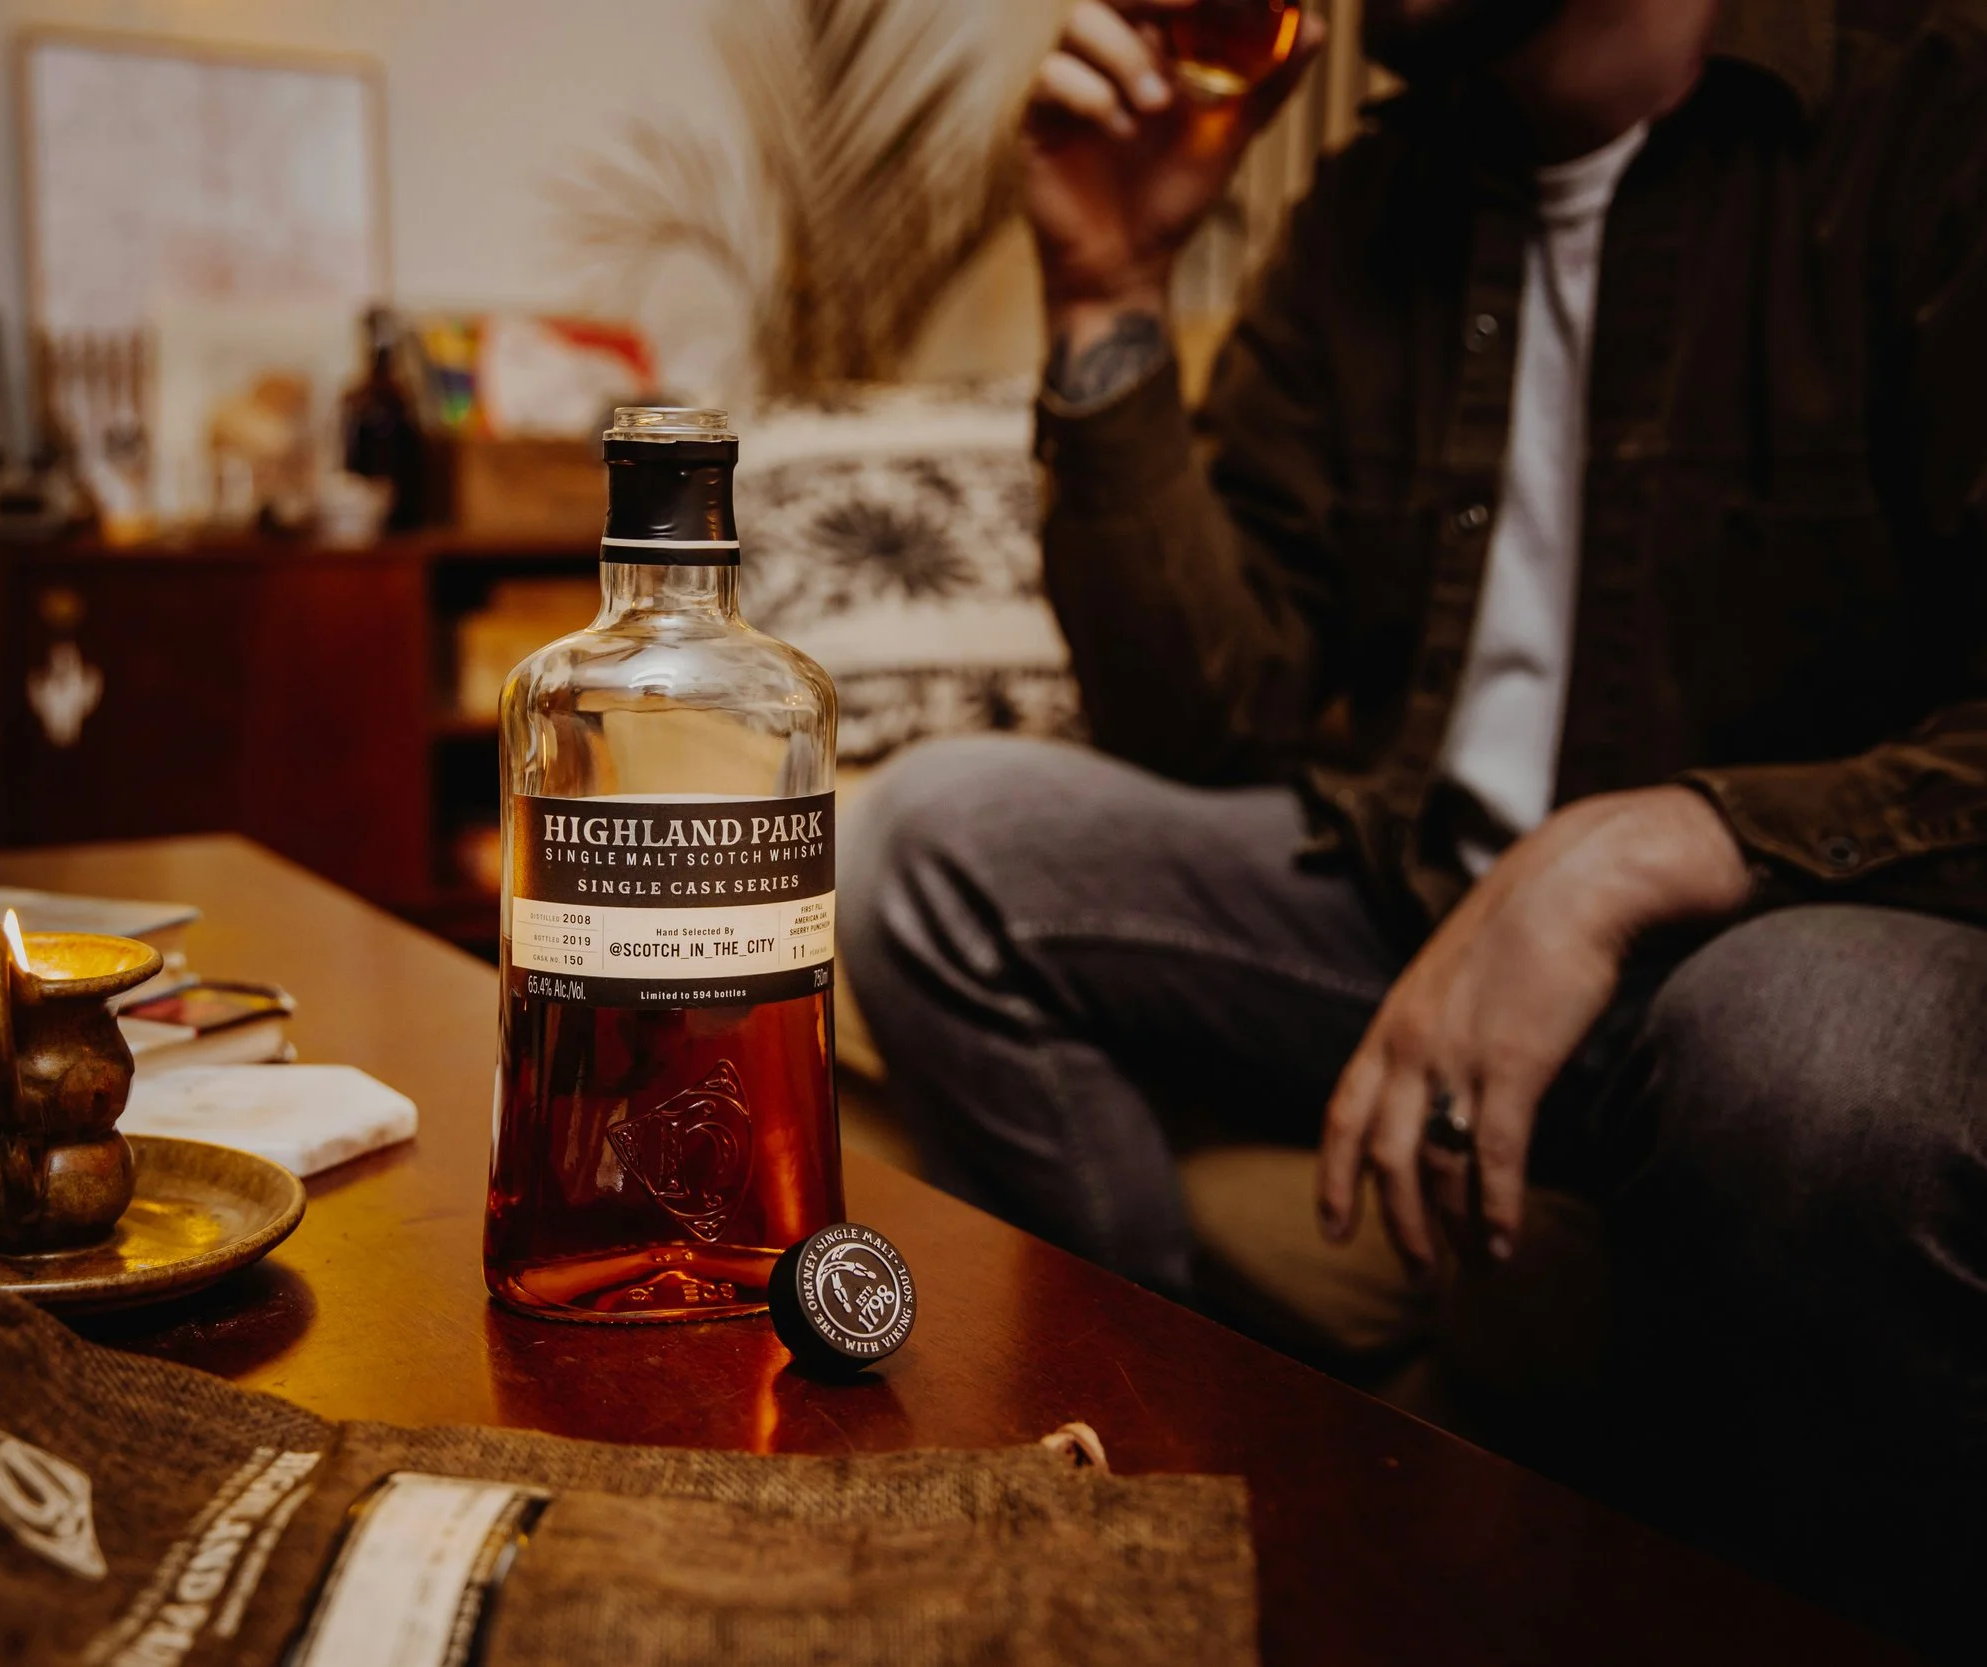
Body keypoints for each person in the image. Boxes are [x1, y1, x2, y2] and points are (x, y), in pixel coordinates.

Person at [838, 0, 1987, 1647]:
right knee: (936, 844)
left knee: (1805, 1048)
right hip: (1417, 911)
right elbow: (1203, 717)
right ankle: (1168, 1501)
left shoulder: (1931, 124)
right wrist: (1109, 295)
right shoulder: (1380, 199)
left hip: (1797, 947)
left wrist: (1642, 846)